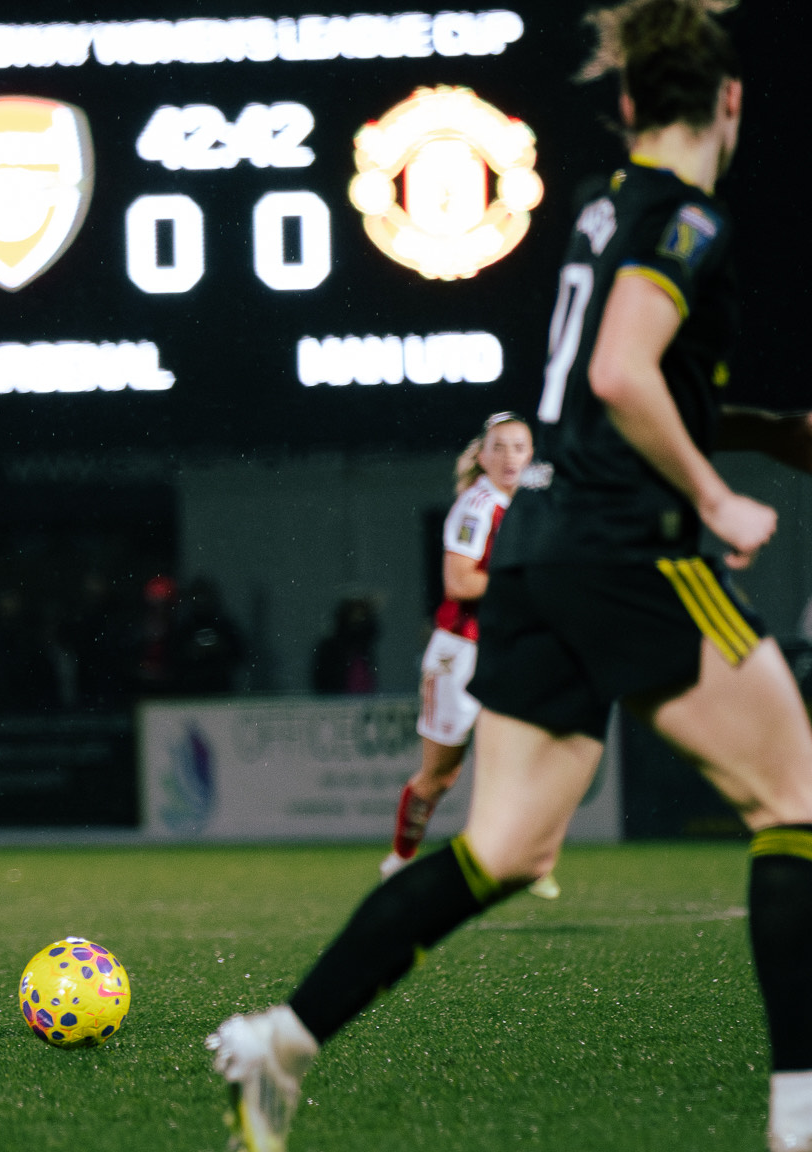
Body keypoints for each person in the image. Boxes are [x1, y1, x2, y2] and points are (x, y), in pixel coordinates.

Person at [206, 5, 812, 1149]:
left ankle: (277, 1040)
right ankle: (798, 1121)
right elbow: (623, 374)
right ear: (728, 102)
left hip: (539, 554)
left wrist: (757, 430)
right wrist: (719, 492)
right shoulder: (684, 220)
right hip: (627, 552)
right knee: (795, 806)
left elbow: (596, 394)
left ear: (629, 102)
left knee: (503, 852)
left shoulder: (595, 206)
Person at [380, 414, 549, 889]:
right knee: (440, 776)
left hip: (507, 648)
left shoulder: (533, 498)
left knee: (525, 758)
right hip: (460, 652)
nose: (511, 457)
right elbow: (460, 581)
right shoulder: (477, 507)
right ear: (482, 456)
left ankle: (528, 862)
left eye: (520, 447)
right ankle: (399, 859)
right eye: (500, 447)